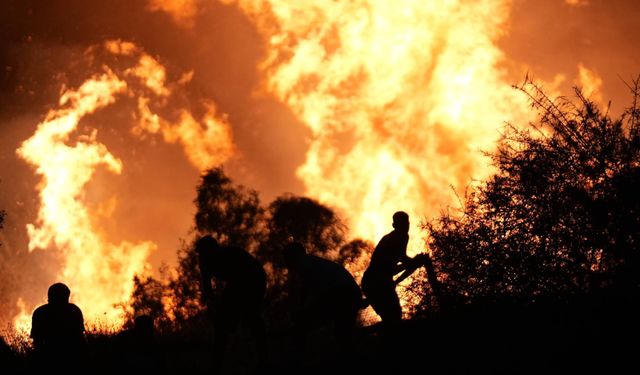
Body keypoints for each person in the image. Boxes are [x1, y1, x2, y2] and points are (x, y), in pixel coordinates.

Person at [195, 234, 267, 371]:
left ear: (214, 250)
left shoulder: (232, 254)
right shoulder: (204, 262)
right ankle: (217, 362)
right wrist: (214, 305)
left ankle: (263, 358)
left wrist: (231, 307)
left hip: (254, 278)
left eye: (204, 252)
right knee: (222, 323)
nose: (202, 256)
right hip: (236, 282)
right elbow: (207, 286)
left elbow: (243, 282)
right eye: (201, 254)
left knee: (251, 317)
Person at [282, 242, 363, 358]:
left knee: (303, 326)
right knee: (343, 334)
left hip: (342, 294)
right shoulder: (313, 262)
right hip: (349, 292)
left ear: (291, 256)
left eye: (286, 258)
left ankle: (297, 360)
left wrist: (302, 312)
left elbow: (312, 291)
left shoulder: (303, 263)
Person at [361, 211, 425, 327]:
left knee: (394, 316)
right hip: (373, 282)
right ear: (394, 225)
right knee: (391, 318)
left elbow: (402, 261)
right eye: (402, 223)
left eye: (407, 223)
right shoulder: (392, 239)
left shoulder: (404, 236)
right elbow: (398, 263)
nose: (406, 226)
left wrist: (413, 262)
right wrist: (414, 261)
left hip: (383, 282)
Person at [30, 282, 87, 369]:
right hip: (72, 357)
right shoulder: (74, 310)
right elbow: (80, 338)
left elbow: (37, 342)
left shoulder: (40, 312)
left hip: (47, 359)